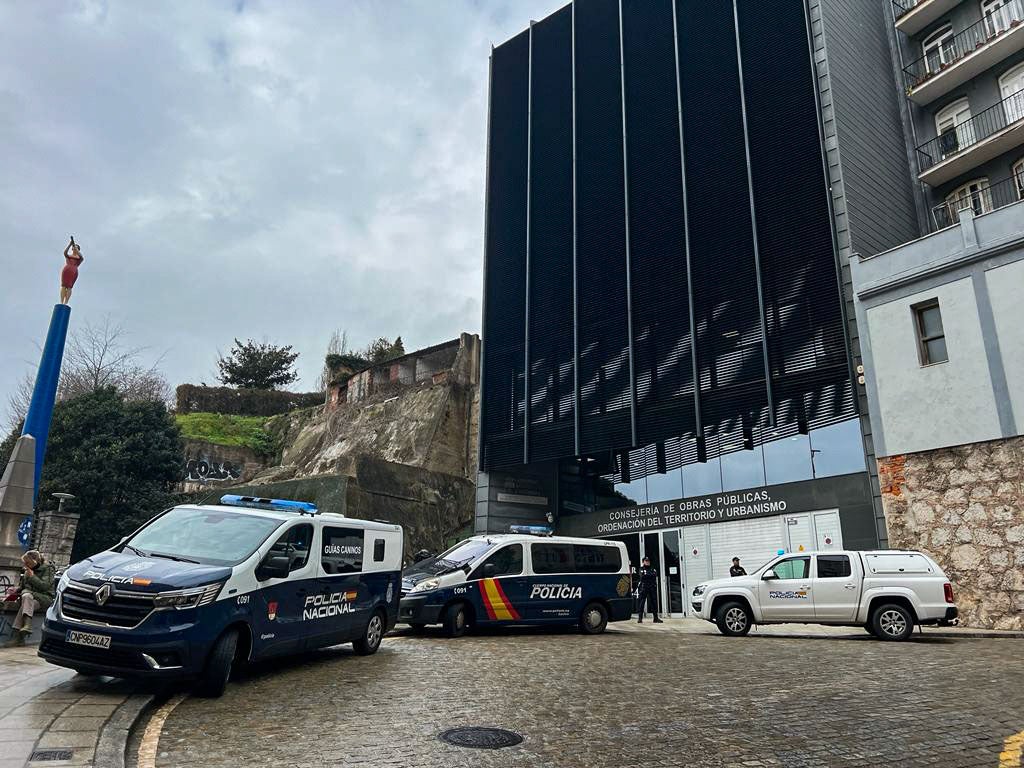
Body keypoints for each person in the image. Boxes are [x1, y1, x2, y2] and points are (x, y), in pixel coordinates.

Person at [4, 550, 55, 647]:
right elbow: (23, 586)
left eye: (28, 563)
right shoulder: (28, 570)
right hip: (31, 599)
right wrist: (16, 589)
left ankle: (17, 636)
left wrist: (32, 577)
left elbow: (45, 587)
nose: (26, 565)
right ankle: (24, 631)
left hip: (44, 598)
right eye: (25, 563)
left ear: (35, 561)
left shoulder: (47, 569)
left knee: (26, 595)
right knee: (26, 599)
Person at [636, 556, 662, 623]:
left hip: (652, 587)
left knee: (654, 603)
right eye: (646, 561)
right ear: (643, 562)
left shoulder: (652, 569)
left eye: (648, 561)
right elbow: (642, 577)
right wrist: (649, 575)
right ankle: (640, 618)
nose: (647, 562)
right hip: (644, 587)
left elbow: (654, 575)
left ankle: (655, 618)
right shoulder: (641, 569)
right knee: (642, 602)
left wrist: (647, 575)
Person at [60, 236, 84, 304]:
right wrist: (70, 244)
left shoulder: (79, 258)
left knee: (70, 286)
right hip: (66, 270)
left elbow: (81, 256)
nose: (74, 248)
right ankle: (61, 302)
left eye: (76, 247)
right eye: (74, 247)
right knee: (63, 285)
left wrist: (76, 249)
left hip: (73, 271)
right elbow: (65, 252)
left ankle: (66, 302)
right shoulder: (69, 256)